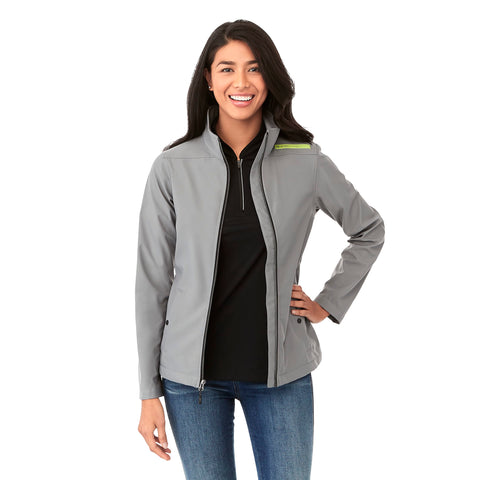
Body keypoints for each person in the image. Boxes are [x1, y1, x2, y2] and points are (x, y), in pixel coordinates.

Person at [135, 19, 385, 480]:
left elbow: (368, 229)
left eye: (254, 68)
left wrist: (328, 303)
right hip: (192, 384)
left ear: (269, 78)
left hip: (282, 376)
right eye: (227, 69)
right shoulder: (172, 167)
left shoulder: (305, 160)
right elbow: (152, 283)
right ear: (209, 79)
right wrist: (148, 392)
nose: (241, 82)